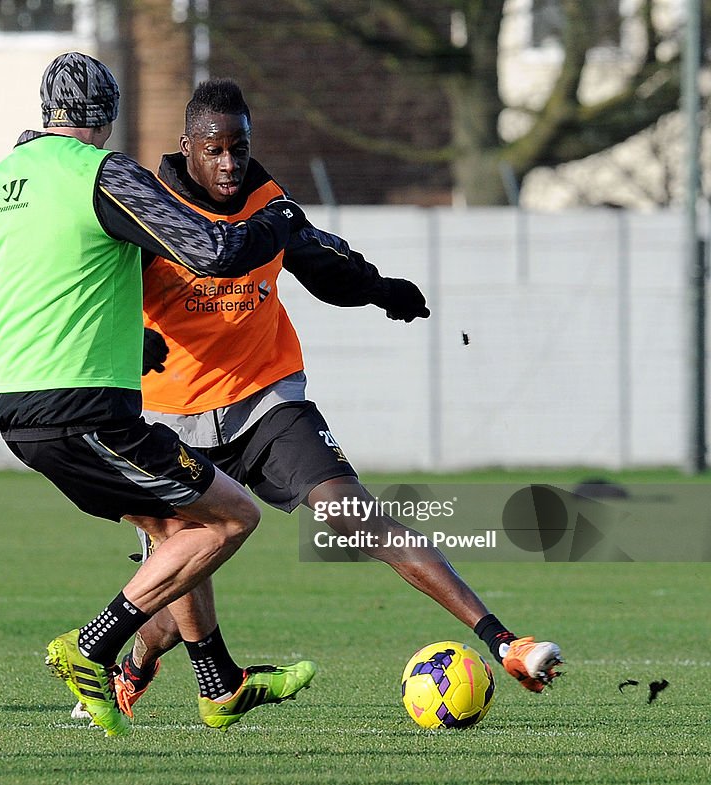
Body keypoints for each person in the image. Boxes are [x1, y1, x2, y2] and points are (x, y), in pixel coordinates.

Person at [76, 79, 562, 721]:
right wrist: (130, 344)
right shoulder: (146, 204)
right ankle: (136, 666)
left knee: (352, 514)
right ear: (187, 146)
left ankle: (503, 640)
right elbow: (99, 292)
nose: (229, 164)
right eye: (214, 149)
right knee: (175, 591)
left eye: (239, 148)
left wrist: (382, 290)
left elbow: (324, 262)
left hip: (265, 401)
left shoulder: (266, 202)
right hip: (169, 418)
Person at [0, 55, 318, 738]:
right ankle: (92, 646)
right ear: (107, 116)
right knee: (231, 516)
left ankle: (219, 682)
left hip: (21, 423)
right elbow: (209, 249)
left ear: (46, 112)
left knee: (175, 526)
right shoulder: (105, 175)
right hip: (90, 415)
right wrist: (277, 222)